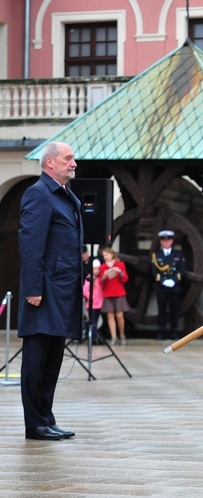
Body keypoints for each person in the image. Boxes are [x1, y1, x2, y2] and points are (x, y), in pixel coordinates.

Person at [18, 141, 82, 441]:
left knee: (54, 357)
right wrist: (32, 288)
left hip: (63, 291)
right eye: (68, 158)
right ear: (50, 163)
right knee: (36, 358)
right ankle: (35, 423)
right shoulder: (38, 194)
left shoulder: (66, 197)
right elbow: (31, 246)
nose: (74, 163)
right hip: (43, 291)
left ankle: (46, 417)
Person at [151, 230, 184, 340]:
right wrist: (163, 281)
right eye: (164, 240)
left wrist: (174, 280)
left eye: (168, 240)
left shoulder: (178, 255)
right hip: (161, 288)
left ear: (172, 241)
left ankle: (174, 332)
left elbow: (181, 270)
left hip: (174, 287)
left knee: (174, 311)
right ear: (161, 241)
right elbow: (154, 272)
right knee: (162, 311)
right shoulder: (156, 255)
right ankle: (162, 332)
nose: (166, 242)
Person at [99, 247, 129, 345]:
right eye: (104, 256)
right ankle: (113, 337)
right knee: (110, 315)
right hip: (108, 293)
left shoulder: (120, 264)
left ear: (112, 255)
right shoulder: (103, 267)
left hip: (119, 292)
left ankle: (122, 335)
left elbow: (125, 279)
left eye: (107, 255)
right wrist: (104, 276)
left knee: (119, 315)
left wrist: (119, 271)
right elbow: (101, 282)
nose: (105, 257)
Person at [83, 259, 103, 342]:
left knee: (96, 320)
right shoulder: (89, 277)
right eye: (95, 269)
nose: (97, 271)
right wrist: (91, 297)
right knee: (92, 321)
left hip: (100, 304)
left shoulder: (100, 278)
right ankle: (93, 337)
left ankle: (95, 336)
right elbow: (84, 290)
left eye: (98, 269)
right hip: (92, 304)